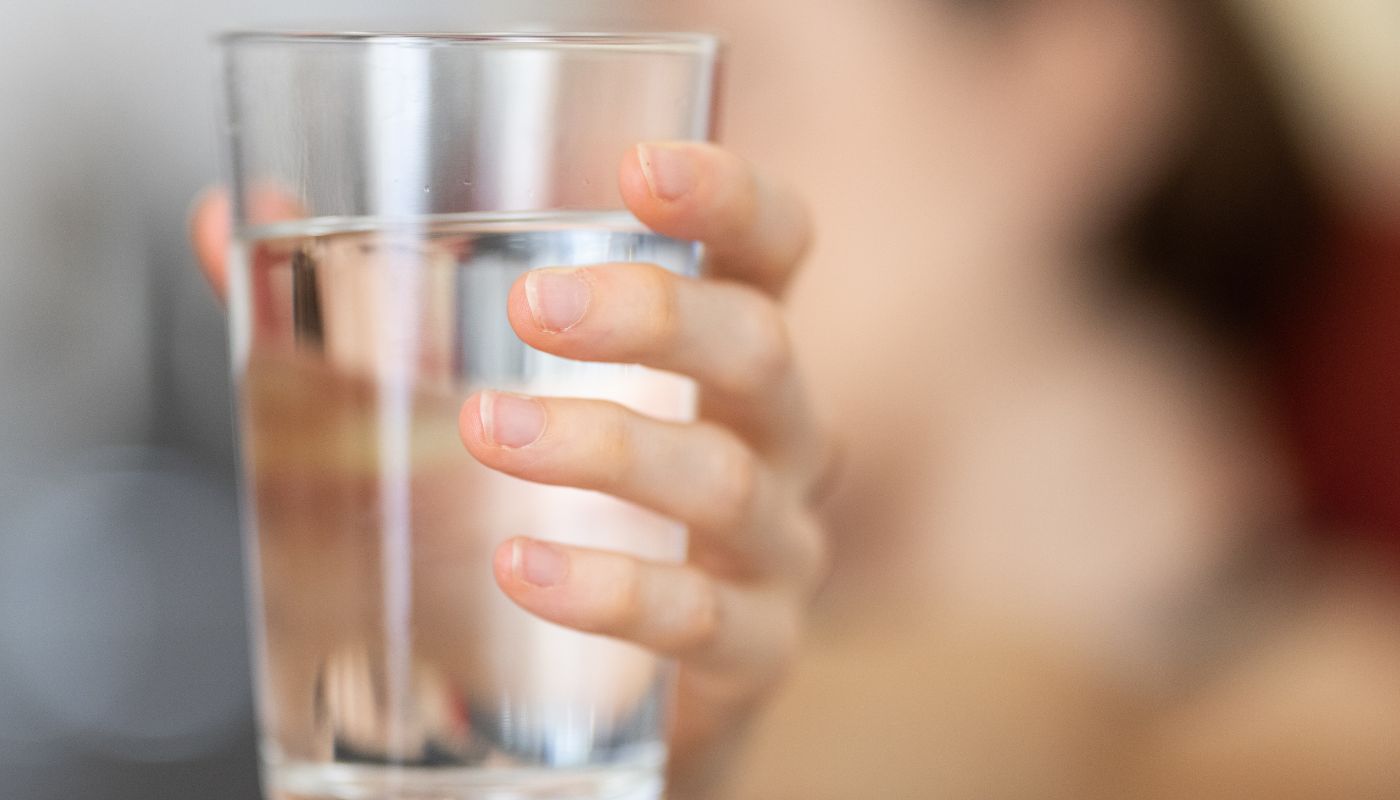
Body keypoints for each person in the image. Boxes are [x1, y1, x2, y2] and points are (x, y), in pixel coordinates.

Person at [195, 0, 1400, 796]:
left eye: (741, 78)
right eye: (598, 102)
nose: (607, 190)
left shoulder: (1327, 715)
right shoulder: (626, 700)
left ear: (1075, 74)